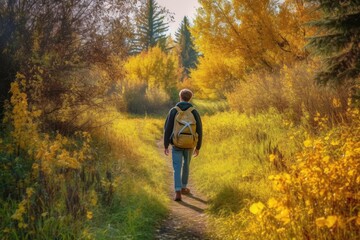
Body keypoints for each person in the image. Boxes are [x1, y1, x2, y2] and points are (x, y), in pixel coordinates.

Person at [164, 89, 202, 201]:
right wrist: (198, 147)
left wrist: (166, 145)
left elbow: (168, 129)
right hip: (190, 144)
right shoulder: (194, 111)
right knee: (186, 165)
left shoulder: (174, 110)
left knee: (177, 167)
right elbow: (199, 129)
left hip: (176, 143)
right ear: (190, 98)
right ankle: (184, 187)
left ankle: (177, 191)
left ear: (180, 96)